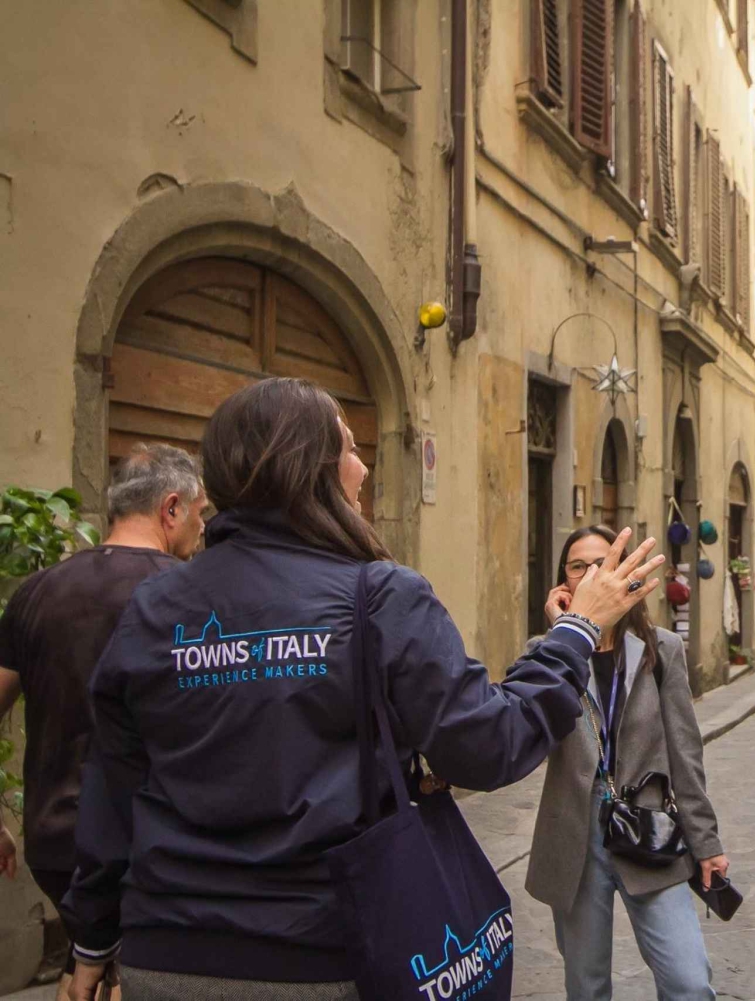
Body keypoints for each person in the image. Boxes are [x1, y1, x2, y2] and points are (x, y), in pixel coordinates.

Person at [59, 377, 665, 1001]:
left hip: (168, 954)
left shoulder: (154, 606)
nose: (364, 467)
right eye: (348, 448)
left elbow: (113, 785)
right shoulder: (378, 594)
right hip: (324, 955)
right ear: (311, 469)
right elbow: (489, 743)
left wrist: (92, 940)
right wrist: (577, 632)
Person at [0, 443, 207, 997]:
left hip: (54, 841)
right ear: (171, 509)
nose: (202, 527)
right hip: (150, 842)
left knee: (89, 967)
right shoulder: (187, 596)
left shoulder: (36, 592)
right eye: (199, 512)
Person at [526, 525, 726, 1000]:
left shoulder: (661, 650)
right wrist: (565, 633)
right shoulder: (545, 655)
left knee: (689, 982)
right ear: (564, 583)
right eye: (579, 566)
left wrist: (706, 841)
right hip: (574, 833)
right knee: (587, 985)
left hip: (647, 829)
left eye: (605, 562)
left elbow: (685, 753)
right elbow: (528, 734)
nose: (594, 573)